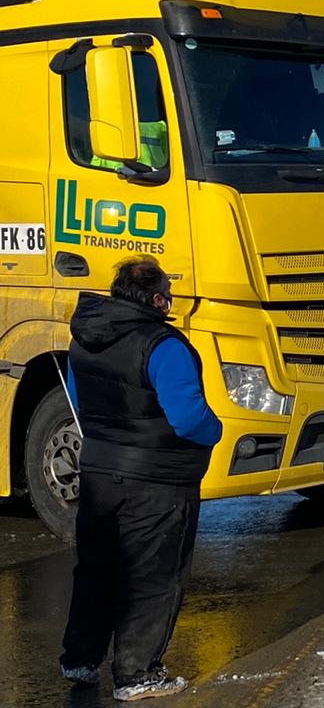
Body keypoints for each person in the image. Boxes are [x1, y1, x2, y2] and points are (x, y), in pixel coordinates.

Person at [60, 257, 222, 702]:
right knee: (153, 575)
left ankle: (80, 658)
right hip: (157, 480)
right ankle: (136, 674)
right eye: (168, 292)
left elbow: (79, 401)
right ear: (155, 298)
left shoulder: (84, 340)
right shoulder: (163, 345)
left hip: (97, 473)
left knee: (95, 569)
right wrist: (217, 431)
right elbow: (188, 418)